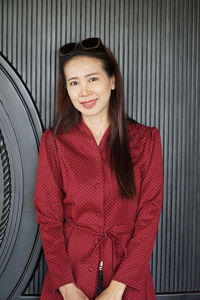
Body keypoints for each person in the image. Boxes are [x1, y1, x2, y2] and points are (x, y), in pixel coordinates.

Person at [34, 37, 163, 300]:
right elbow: (48, 218)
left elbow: (149, 215)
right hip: (70, 278)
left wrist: (118, 288)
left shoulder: (145, 140)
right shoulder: (54, 143)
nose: (83, 92)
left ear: (113, 81)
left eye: (92, 79)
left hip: (129, 281)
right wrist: (67, 286)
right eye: (74, 82)